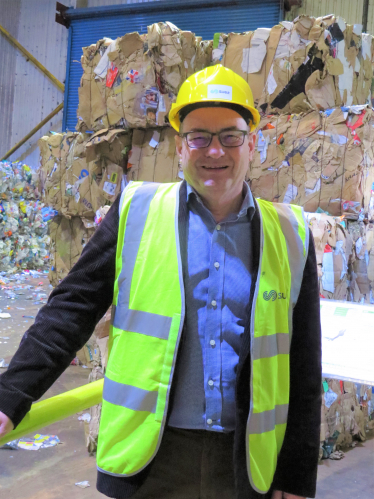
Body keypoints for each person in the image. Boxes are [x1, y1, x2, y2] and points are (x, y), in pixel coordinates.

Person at [0, 65, 321, 499]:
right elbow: (70, 309)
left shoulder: (290, 233)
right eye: (199, 136)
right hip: (151, 458)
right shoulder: (137, 210)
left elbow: (303, 363)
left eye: (230, 135)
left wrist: (297, 476)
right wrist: (11, 394)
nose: (215, 150)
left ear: (253, 142)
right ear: (180, 145)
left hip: (245, 462)